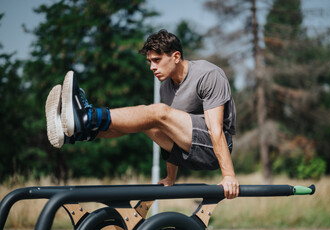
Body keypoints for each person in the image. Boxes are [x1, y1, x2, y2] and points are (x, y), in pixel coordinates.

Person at [45, 29, 239, 199]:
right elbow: (170, 131)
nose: (152, 67)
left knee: (156, 112)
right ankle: (78, 132)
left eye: (156, 60)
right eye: (149, 62)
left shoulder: (208, 74)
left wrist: (228, 175)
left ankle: (89, 116)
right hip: (189, 151)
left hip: (216, 149)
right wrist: (171, 178)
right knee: (145, 121)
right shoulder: (166, 88)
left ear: (176, 57)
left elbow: (216, 130)